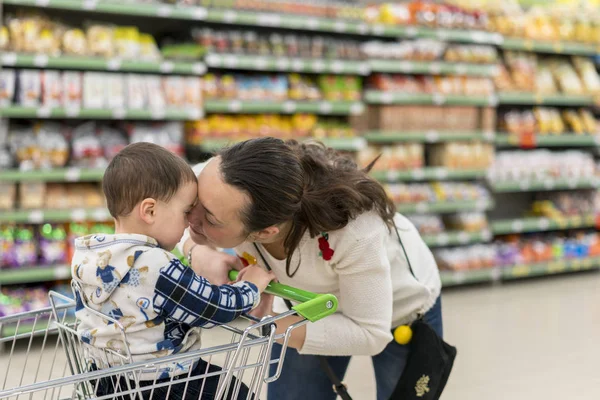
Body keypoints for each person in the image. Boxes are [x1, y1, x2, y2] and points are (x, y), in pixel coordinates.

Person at [177, 137, 443, 400]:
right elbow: (156, 213)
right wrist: (196, 251)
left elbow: (370, 333)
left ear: (264, 232)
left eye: (209, 218)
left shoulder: (356, 233)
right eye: (193, 203)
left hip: (399, 308)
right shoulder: (218, 179)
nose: (191, 217)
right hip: (305, 306)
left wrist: (271, 325)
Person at [71, 142, 274, 400]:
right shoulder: (157, 265)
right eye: (186, 211)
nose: (190, 221)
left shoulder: (87, 255)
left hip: (107, 381)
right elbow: (213, 308)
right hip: (164, 382)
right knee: (234, 393)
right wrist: (251, 287)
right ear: (150, 211)